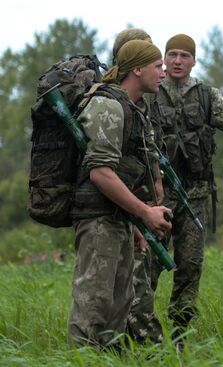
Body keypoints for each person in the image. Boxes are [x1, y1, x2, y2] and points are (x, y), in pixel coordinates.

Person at [129, 33, 223, 343]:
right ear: (164, 60)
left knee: (190, 268)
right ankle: (140, 333)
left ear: (193, 60)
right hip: (156, 197)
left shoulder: (206, 96)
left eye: (184, 55)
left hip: (196, 196)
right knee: (148, 266)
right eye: (172, 55)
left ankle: (181, 338)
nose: (177, 61)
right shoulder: (150, 93)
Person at [67, 40, 172, 349]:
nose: (163, 73)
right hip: (98, 219)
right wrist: (144, 212)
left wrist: (134, 223)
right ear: (137, 69)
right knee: (93, 308)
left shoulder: (130, 108)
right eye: (157, 66)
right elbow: (101, 173)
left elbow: (125, 171)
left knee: (118, 308)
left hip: (117, 219)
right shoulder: (108, 106)